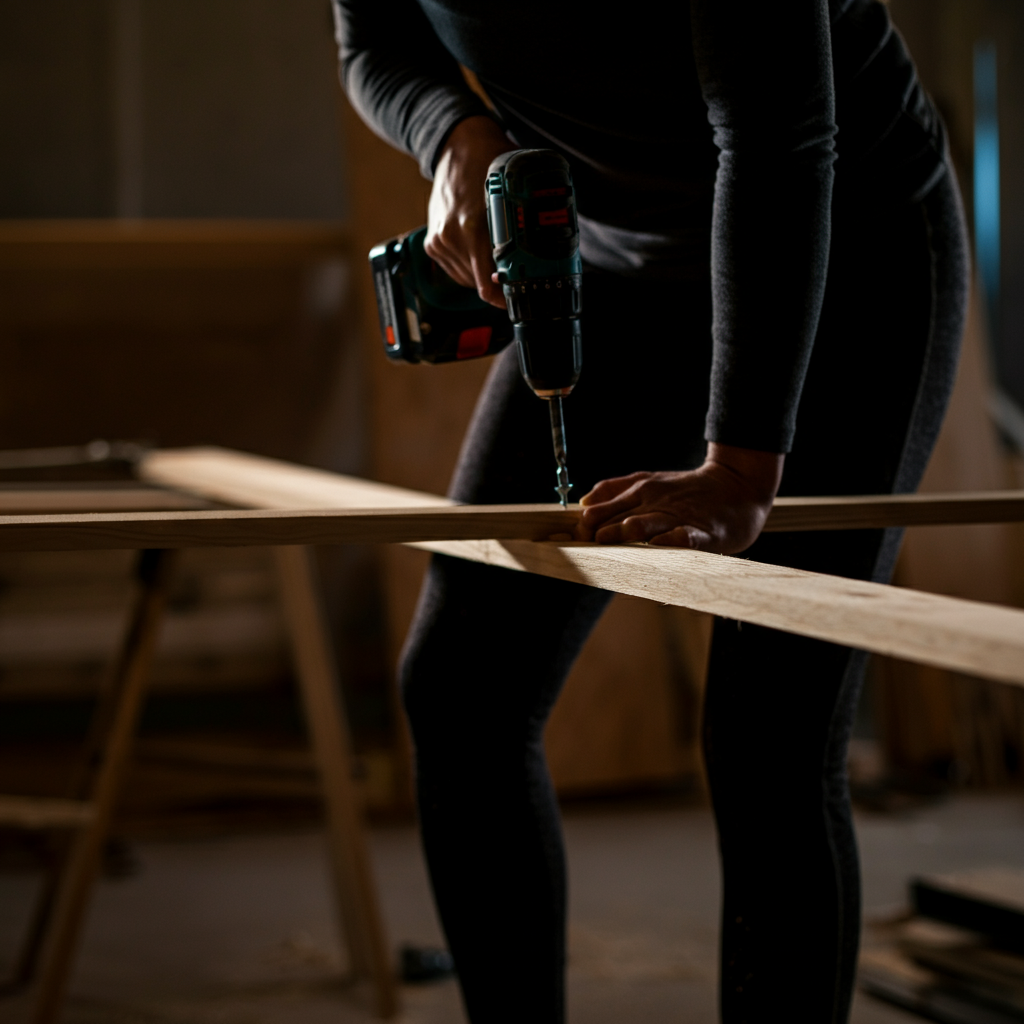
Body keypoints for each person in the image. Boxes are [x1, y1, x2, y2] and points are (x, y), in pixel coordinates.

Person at [333, 1, 968, 1020]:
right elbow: (374, 42)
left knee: (768, 736)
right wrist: (453, 136)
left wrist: (741, 467)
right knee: (462, 690)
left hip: (843, 258)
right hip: (619, 263)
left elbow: (774, 138)